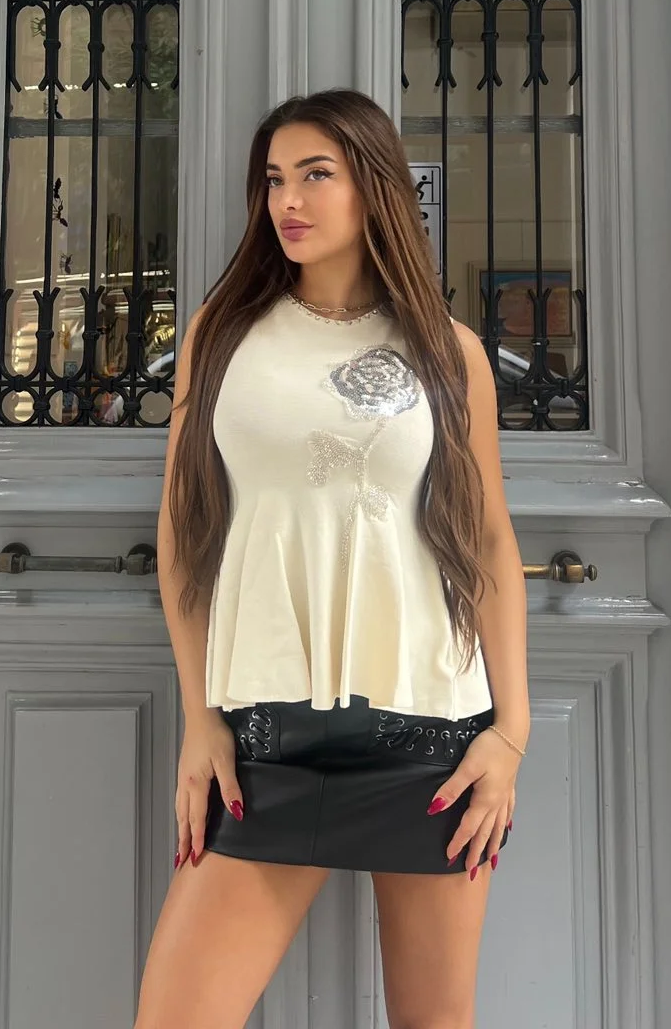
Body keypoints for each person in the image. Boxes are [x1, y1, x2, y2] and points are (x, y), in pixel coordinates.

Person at [132, 89, 530, 1029]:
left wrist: (508, 734)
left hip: (430, 737)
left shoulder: (449, 351)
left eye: (317, 174)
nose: (289, 200)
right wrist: (200, 718)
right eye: (275, 179)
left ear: (375, 187)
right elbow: (183, 532)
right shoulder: (222, 334)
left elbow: (488, 540)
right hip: (265, 739)